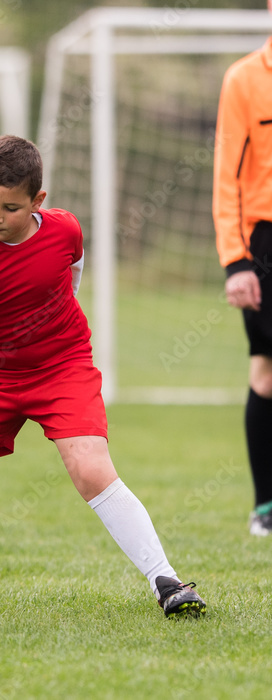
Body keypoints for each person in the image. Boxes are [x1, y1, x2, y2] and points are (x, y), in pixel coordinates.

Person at [0, 135, 206, 618]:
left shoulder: (65, 230)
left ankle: (167, 582)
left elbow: (71, 270)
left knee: (92, 470)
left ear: (38, 201)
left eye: (10, 208)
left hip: (63, 368)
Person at [213, 7, 272, 537]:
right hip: (266, 244)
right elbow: (226, 175)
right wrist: (236, 261)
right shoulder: (245, 79)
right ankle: (266, 507)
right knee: (267, 374)